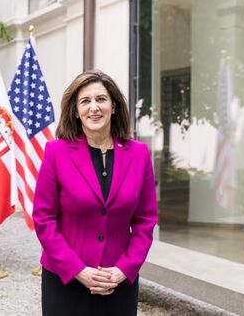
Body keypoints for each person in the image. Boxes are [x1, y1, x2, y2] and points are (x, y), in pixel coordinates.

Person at [33, 70, 158, 316]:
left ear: (113, 106)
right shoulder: (56, 152)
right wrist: (78, 270)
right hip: (66, 280)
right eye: (85, 101)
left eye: (101, 99)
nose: (94, 107)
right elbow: (44, 219)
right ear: (76, 111)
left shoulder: (139, 154)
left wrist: (124, 268)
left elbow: (145, 221)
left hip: (118, 282)